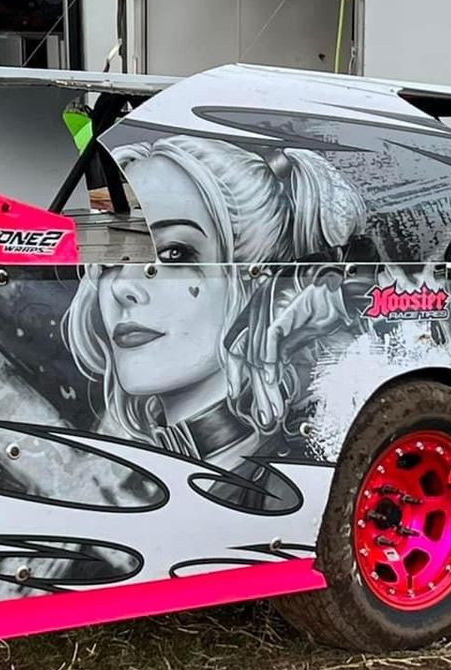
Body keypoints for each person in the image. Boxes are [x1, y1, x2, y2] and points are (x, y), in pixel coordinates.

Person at [61, 134, 369, 498]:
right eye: (113, 257)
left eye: (173, 254)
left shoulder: (289, 486)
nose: (122, 286)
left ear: (258, 278)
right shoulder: (126, 478)